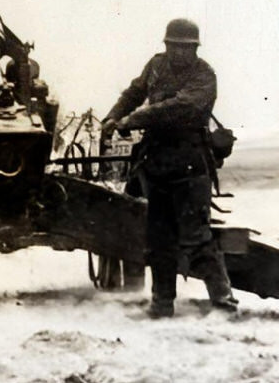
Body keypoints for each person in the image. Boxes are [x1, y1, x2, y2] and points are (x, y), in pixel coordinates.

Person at [102, 18, 238, 319]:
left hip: (189, 164)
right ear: (165, 46)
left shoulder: (204, 75)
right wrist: (113, 117)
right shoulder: (156, 65)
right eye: (173, 46)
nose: (179, 53)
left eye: (186, 48)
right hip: (157, 163)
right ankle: (161, 304)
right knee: (158, 240)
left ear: (195, 49)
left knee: (197, 238)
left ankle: (224, 305)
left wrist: (132, 120)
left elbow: (178, 108)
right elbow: (134, 92)